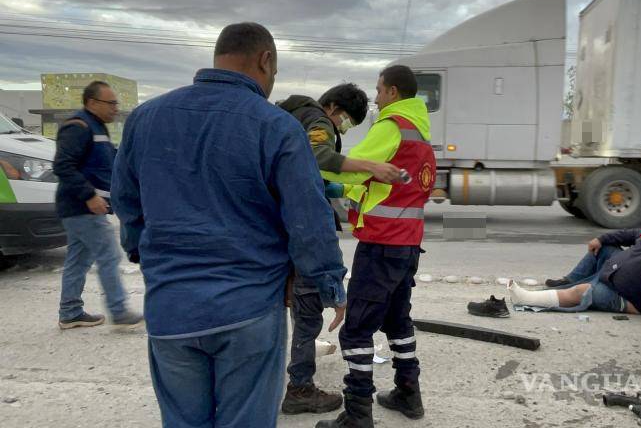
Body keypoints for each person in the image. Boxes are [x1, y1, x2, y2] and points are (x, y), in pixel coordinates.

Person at [111, 22, 347, 427]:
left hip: (171, 310)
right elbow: (308, 218)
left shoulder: (145, 118)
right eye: (274, 72)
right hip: (249, 309)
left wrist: (148, 256)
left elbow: (127, 205)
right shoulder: (276, 126)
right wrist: (329, 283)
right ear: (265, 60)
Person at [316, 65, 436, 428]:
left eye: (380, 91)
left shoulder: (391, 126)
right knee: (398, 320)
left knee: (357, 329)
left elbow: (352, 167)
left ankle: (357, 413)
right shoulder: (420, 132)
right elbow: (391, 185)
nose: (377, 98)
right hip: (407, 246)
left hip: (381, 245)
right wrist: (350, 192)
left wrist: (318, 167)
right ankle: (408, 393)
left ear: (394, 93)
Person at [276, 84, 400, 415]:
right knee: (307, 312)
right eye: (345, 120)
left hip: (272, 225)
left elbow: (306, 172)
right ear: (332, 107)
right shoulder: (318, 120)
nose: (342, 127)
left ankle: (271, 380)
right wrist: (370, 167)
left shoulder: (290, 116)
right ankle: (299, 388)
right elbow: (319, 159)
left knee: (279, 308)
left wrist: (343, 188)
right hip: (297, 228)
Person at [473, 218, 641, 330]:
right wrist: (602, 239)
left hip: (628, 300)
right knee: (602, 249)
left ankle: (528, 298)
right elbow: (626, 234)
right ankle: (567, 281)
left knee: (582, 291)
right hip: (611, 276)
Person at [53, 81, 143, 330]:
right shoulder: (79, 127)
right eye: (110, 103)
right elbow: (62, 165)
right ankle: (119, 311)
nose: (115, 108)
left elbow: (110, 163)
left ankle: (70, 312)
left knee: (78, 260)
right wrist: (89, 195)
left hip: (81, 207)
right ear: (92, 103)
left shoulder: (97, 128)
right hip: (82, 207)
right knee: (109, 255)